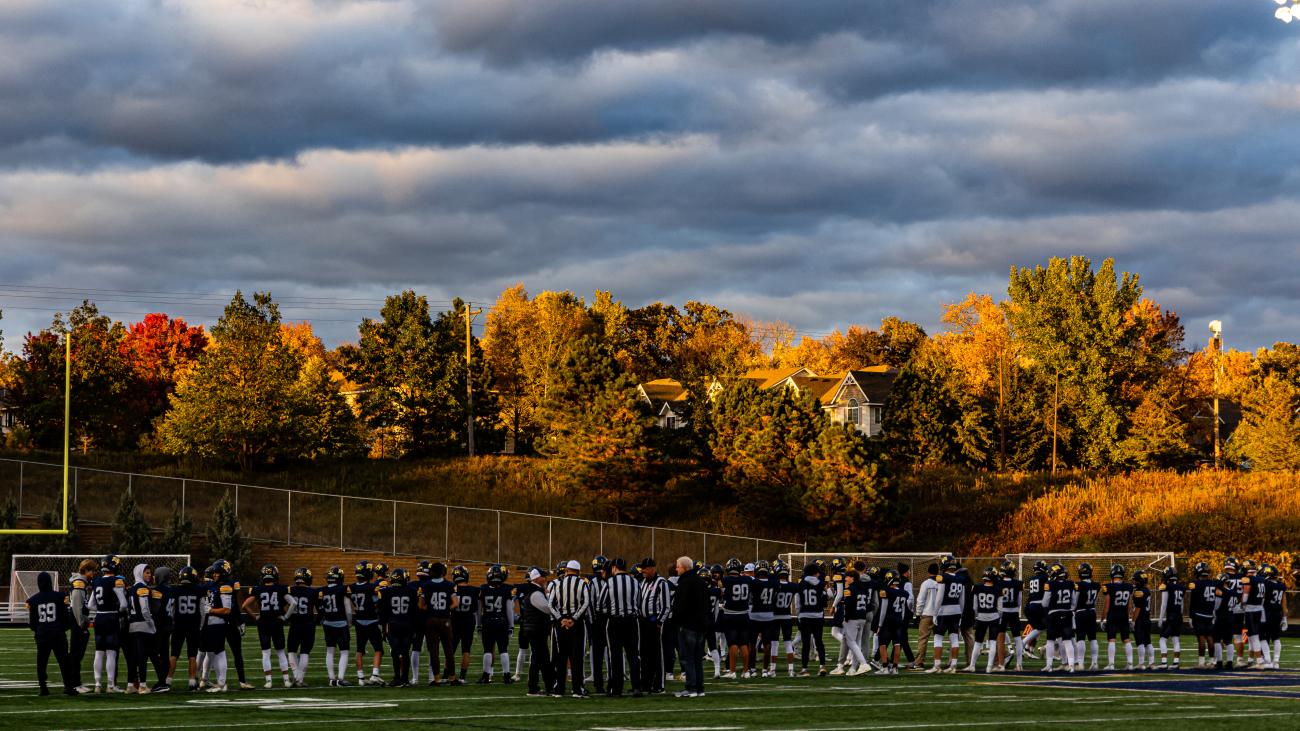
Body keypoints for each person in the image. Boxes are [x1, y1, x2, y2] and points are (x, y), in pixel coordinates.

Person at [244, 564, 297, 689]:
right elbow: (293, 603)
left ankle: (268, 681)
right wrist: (285, 617)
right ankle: (286, 680)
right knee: (280, 652)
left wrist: (255, 616)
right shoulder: (281, 588)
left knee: (265, 653)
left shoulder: (258, 589)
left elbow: (245, 605)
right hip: (276, 622)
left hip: (263, 623)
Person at [26, 571, 78, 696]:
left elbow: (33, 621)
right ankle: (68, 686)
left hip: (42, 634)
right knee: (64, 661)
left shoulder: (33, 600)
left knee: (41, 662)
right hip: (57, 633)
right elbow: (65, 617)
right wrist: (63, 628)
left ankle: (43, 687)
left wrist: (38, 631)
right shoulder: (60, 596)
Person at [88, 554, 129, 693]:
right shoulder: (116, 581)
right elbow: (123, 604)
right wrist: (116, 610)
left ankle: (97, 684)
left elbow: (90, 605)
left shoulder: (96, 581)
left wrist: (101, 608)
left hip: (99, 619)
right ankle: (110, 685)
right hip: (111, 618)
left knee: (99, 652)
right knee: (111, 652)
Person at [602, 557, 642, 697]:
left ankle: (617, 689)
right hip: (631, 621)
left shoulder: (610, 582)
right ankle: (637, 687)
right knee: (633, 655)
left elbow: (602, 604)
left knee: (616, 656)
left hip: (615, 621)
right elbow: (639, 602)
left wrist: (612, 610)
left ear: (614, 568)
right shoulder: (635, 582)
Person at [671, 556, 710, 697]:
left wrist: (676, 620)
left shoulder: (685, 583)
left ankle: (691, 687)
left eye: (678, 566)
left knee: (688, 658)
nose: (676, 569)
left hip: (688, 625)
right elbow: (708, 606)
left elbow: (680, 606)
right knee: (697, 659)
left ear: (685, 568)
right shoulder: (701, 582)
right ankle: (699, 688)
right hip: (701, 626)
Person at [550, 560, 590, 697]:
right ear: (578, 571)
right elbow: (586, 603)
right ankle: (577, 689)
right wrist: (573, 619)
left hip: (561, 624)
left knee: (561, 657)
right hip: (577, 624)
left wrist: (561, 619)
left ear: (566, 570)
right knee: (577, 657)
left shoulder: (558, 584)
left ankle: (559, 689)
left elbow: (551, 605)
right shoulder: (582, 583)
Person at [518, 567, 559, 697]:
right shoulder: (536, 593)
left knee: (537, 659)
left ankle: (534, 687)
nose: (545, 579)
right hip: (537, 629)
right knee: (543, 659)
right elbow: (548, 609)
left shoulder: (535, 590)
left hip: (534, 628)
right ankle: (548, 685)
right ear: (536, 578)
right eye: (543, 576)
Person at [166, 565, 205, 690]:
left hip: (178, 625)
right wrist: (201, 626)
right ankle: (192, 682)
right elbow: (202, 610)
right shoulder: (199, 590)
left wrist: (172, 624)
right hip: (193, 626)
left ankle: (168, 681)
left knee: (174, 654)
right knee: (192, 655)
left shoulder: (175, 590)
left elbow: (171, 610)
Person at [200, 560, 236, 693]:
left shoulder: (225, 587)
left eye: (216, 573)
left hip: (218, 624)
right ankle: (213, 681)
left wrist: (210, 610)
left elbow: (227, 610)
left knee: (219, 652)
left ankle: (222, 684)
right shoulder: (215, 585)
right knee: (213, 653)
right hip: (211, 624)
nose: (214, 575)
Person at [378, 568, 418, 686]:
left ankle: (397, 677)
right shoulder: (411, 591)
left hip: (393, 625)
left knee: (395, 652)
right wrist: (415, 628)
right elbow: (414, 612)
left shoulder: (386, 592)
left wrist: (383, 629)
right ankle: (405, 678)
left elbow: (383, 612)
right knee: (405, 652)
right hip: (407, 625)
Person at [419, 562, 456, 685]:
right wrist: (446, 609)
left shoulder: (426, 585)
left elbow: (421, 605)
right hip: (445, 620)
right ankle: (452, 678)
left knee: (434, 650)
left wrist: (430, 609)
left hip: (431, 620)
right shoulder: (449, 585)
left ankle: (436, 679)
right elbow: (455, 603)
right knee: (448, 649)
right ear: (443, 572)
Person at [638, 558, 672, 693]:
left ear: (652, 568)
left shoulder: (661, 583)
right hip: (643, 622)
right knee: (645, 654)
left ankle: (659, 684)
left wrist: (659, 622)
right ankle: (646, 683)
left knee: (657, 654)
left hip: (655, 622)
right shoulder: (643, 583)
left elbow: (666, 606)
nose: (643, 571)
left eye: (645, 569)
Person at [477, 564, 516, 684]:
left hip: (487, 621)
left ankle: (486, 675)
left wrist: (478, 624)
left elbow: (478, 610)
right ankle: (506, 675)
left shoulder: (483, 588)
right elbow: (510, 610)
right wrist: (511, 625)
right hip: (501, 621)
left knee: (488, 650)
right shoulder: (506, 589)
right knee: (503, 649)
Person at [349, 561, 385, 686]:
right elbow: (377, 602)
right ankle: (375, 674)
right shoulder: (372, 588)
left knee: (360, 649)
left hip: (358, 621)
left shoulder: (351, 587)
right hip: (372, 621)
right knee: (378, 649)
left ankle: (360, 677)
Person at [927, 558, 965, 674]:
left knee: (938, 637)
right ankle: (953, 665)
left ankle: (937, 665)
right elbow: (962, 599)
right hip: (956, 611)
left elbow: (939, 597)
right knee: (954, 637)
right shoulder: (960, 578)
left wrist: (935, 613)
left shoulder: (943, 577)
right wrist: (961, 614)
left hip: (944, 610)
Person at [124, 563, 156, 694]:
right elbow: (144, 609)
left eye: (149, 572)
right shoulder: (142, 588)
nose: (149, 575)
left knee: (133, 657)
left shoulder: (132, 588)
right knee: (142, 657)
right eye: (146, 572)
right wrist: (152, 624)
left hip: (132, 625)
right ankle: (142, 686)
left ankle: (130, 685)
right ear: (139, 573)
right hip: (142, 625)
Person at [319, 566, 354, 687]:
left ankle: (331, 679)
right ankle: (340, 678)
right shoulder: (343, 589)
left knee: (330, 651)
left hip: (328, 623)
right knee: (344, 652)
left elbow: (320, 608)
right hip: (340, 623)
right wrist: (349, 622)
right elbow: (348, 609)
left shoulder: (322, 590)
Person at [67, 559, 97, 693]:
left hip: (78, 621)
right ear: (86, 570)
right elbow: (77, 606)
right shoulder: (79, 583)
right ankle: (74, 684)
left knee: (77, 654)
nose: (94, 573)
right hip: (77, 622)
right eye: (92, 570)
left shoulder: (82, 582)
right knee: (76, 654)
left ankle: (76, 682)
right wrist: (82, 624)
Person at [794, 561, 828, 676]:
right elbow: (827, 598)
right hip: (818, 615)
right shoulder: (821, 584)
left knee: (806, 643)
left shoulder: (801, 584)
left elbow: (797, 603)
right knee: (819, 642)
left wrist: (799, 616)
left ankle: (804, 669)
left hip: (805, 616)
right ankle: (822, 666)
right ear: (815, 573)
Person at [719, 558, 750, 679]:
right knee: (743, 644)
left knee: (732, 644)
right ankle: (746, 671)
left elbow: (721, 592)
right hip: (744, 615)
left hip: (730, 615)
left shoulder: (725, 580)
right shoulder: (747, 579)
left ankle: (732, 671)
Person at [286, 567, 318, 687]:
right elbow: (320, 608)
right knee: (305, 652)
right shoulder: (313, 592)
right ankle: (300, 679)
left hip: (295, 623)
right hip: (308, 624)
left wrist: (286, 617)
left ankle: (296, 676)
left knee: (291, 651)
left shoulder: (290, 590)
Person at [1100, 564, 1134, 671]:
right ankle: (1130, 663)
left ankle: (1111, 664)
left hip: (1113, 615)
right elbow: (1129, 605)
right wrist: (1129, 616)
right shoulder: (1129, 586)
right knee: (1126, 639)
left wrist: (1102, 619)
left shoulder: (1109, 587)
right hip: (1123, 615)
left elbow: (1107, 604)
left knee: (1112, 639)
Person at [966, 567, 1000, 673]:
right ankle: (989, 667)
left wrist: (977, 616)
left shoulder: (977, 587)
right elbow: (1000, 607)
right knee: (993, 642)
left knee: (978, 642)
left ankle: (972, 665)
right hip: (994, 616)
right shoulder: (998, 588)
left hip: (981, 617)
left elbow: (975, 607)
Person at [449, 565, 479, 684]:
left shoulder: (452, 589)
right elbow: (476, 609)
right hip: (468, 621)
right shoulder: (474, 590)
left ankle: (448, 674)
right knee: (466, 650)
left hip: (455, 620)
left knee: (450, 649)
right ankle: (462, 676)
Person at [994, 560, 1023, 671]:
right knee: (1017, 638)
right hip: (1014, 612)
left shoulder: (998, 583)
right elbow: (1020, 601)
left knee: (1000, 638)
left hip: (1002, 612)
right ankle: (1019, 664)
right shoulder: (1018, 583)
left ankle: (1001, 664)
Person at [149, 566, 174, 692]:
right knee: (164, 654)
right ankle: (163, 682)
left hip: (160, 625)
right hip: (169, 624)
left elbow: (156, 609)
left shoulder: (158, 590)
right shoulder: (171, 590)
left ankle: (162, 682)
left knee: (155, 653)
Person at [588, 556, 610, 694]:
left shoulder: (592, 582)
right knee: (610, 651)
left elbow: (590, 604)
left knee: (598, 654)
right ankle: (607, 681)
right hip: (605, 619)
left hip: (598, 620)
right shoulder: (610, 581)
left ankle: (599, 683)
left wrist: (592, 621)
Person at [1157, 566, 1185, 670]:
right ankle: (1176, 662)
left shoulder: (1166, 586)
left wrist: (1160, 618)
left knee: (1162, 640)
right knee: (1175, 639)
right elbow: (1181, 605)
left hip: (1171, 616)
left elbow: (1164, 605)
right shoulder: (1181, 587)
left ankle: (1164, 663)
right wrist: (1180, 615)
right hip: (1178, 616)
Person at [1073, 563, 1100, 671]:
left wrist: (1072, 610)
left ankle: (1080, 663)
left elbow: (1075, 601)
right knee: (1093, 638)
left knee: (1080, 638)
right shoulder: (1096, 585)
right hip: (1092, 611)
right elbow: (1096, 601)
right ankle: (1094, 663)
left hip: (1081, 612)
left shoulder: (1078, 585)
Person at [912, 563, 939, 670]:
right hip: (939, 614)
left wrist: (918, 614)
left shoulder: (926, 583)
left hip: (927, 614)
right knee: (938, 638)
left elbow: (920, 600)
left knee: (923, 639)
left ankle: (919, 662)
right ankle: (938, 661)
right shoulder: (942, 583)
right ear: (938, 572)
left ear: (928, 572)